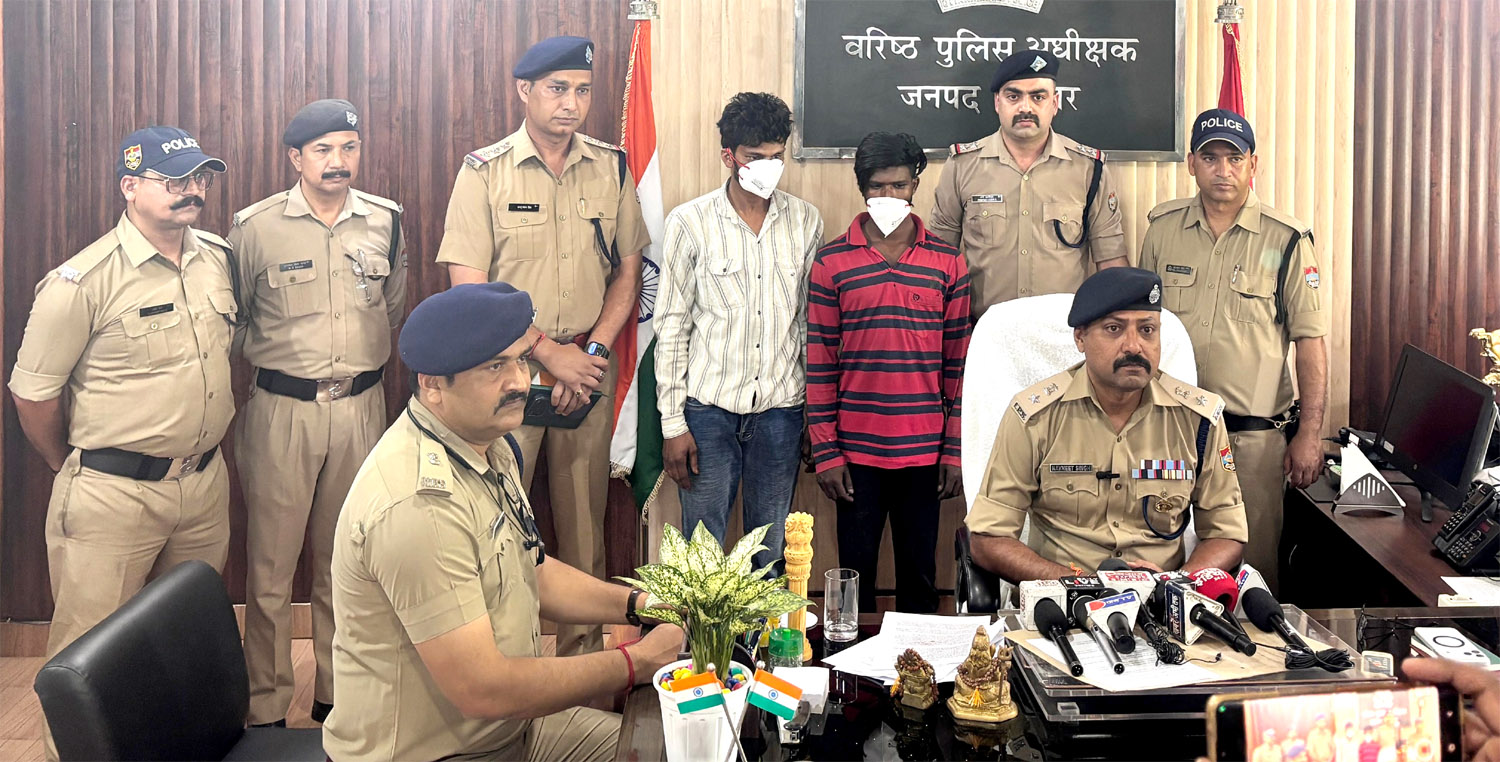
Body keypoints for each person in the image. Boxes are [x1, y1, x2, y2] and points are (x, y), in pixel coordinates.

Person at [323, 282, 683, 762]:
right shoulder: (417, 505)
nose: (519, 381)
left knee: (676, 748)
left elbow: (531, 570)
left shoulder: (487, 444)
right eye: (495, 367)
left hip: (510, 731)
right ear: (433, 384)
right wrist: (635, 663)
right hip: (441, 753)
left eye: (520, 360)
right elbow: (484, 689)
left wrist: (642, 605)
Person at [9, 126, 234, 760]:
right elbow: (33, 396)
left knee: (186, 644)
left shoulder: (217, 258)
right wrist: (70, 466)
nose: (192, 190)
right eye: (174, 180)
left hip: (203, 485)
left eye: (199, 178)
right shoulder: (81, 282)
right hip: (112, 495)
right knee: (88, 660)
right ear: (129, 187)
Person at [435, 35, 650, 657]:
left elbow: (629, 272)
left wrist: (593, 355)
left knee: (584, 530)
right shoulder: (485, 171)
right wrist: (546, 353)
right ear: (524, 91)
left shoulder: (610, 166)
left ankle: (583, 670)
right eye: (558, 89)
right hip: (504, 374)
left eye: (582, 91)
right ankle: (509, 665)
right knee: (496, 527)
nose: (571, 104)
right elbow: (468, 288)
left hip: (588, 369)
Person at [230, 98, 407, 727]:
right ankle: (267, 707)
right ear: (295, 158)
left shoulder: (384, 221)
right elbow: (236, 320)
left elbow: (390, 308)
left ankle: (338, 698)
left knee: (346, 562)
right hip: (282, 411)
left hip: (361, 408)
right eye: (323, 150)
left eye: (349, 148)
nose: (338, 161)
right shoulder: (255, 229)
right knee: (270, 571)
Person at [1138, 109, 1328, 595]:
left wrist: (1310, 433)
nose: (1223, 169)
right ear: (1192, 164)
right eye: (1210, 158)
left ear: (1252, 165)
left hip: (1250, 441)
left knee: (1250, 575)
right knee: (1162, 562)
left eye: (1234, 158)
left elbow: (1309, 340)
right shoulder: (1162, 229)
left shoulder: (1285, 239)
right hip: (1169, 432)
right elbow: (1143, 327)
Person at [966, 267, 1249, 582]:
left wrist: (1176, 583)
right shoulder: (1035, 418)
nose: (1134, 346)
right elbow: (987, 538)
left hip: (1162, 599)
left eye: (1147, 330)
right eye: (1114, 329)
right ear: (1080, 338)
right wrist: (1080, 584)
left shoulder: (1199, 420)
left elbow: (1226, 533)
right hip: (1063, 598)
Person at [654, 92, 823, 568]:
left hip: (781, 411)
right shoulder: (690, 222)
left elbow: (808, 324)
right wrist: (673, 425)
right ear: (728, 156)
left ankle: (763, 625)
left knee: (770, 554)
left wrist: (814, 413)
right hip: (708, 413)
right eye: (754, 157)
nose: (767, 168)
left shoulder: (805, 220)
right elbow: (672, 326)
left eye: (776, 156)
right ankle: (701, 625)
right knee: (702, 553)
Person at [807, 131, 970, 613]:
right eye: (878, 187)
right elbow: (819, 361)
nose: (889, 195)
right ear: (862, 187)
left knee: (920, 580)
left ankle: (916, 663)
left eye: (899, 185)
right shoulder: (831, 261)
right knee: (850, 585)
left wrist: (954, 451)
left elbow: (958, 366)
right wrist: (826, 451)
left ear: (915, 185)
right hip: (854, 454)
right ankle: (847, 663)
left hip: (925, 454)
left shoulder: (947, 262)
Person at [930, 49, 1127, 318]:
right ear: (997, 103)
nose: (1026, 107)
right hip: (986, 329)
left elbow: (1111, 262)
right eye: (1014, 96)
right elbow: (939, 258)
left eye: (1038, 97)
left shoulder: (1089, 169)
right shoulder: (962, 166)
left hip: (1063, 330)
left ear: (1055, 103)